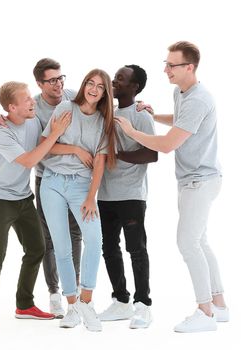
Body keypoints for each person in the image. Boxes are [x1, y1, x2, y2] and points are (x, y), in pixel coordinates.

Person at [115, 41, 229, 333]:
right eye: (165, 64)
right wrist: (154, 116)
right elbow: (181, 122)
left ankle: (204, 312)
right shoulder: (181, 92)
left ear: (189, 67)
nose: (165, 70)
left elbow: (165, 146)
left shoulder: (199, 99)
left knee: (187, 243)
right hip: (194, 179)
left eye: (172, 65)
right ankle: (219, 305)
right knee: (200, 242)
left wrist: (131, 130)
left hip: (200, 181)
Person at [0, 58, 84, 318]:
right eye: (51, 80)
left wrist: (140, 108)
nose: (58, 84)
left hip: (76, 178)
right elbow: (40, 146)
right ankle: (54, 292)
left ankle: (73, 290)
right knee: (48, 240)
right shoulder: (32, 107)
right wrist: (0, 117)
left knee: (75, 235)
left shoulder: (74, 98)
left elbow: (105, 107)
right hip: (47, 178)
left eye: (61, 77)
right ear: (39, 84)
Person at [0, 81, 71, 330]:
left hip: (23, 197)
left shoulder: (33, 120)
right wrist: (54, 134)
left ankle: (25, 305)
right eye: (27, 99)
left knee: (37, 248)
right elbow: (29, 160)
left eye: (31, 97)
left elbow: (46, 142)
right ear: (12, 107)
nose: (33, 102)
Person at [40, 68, 116, 332]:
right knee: (62, 247)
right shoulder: (64, 109)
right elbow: (45, 145)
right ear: (84, 85)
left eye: (100, 87)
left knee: (94, 240)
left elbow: (100, 163)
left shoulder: (104, 121)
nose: (94, 89)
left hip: (82, 186)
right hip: (51, 183)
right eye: (90, 84)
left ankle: (86, 301)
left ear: (106, 92)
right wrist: (74, 148)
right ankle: (71, 305)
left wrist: (91, 197)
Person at [97, 65, 157, 329]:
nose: (114, 80)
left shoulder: (141, 115)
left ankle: (142, 304)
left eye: (121, 78)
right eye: (115, 76)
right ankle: (121, 301)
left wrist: (118, 156)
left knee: (136, 249)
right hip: (105, 194)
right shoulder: (105, 110)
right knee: (109, 248)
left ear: (135, 87)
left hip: (132, 195)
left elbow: (152, 153)